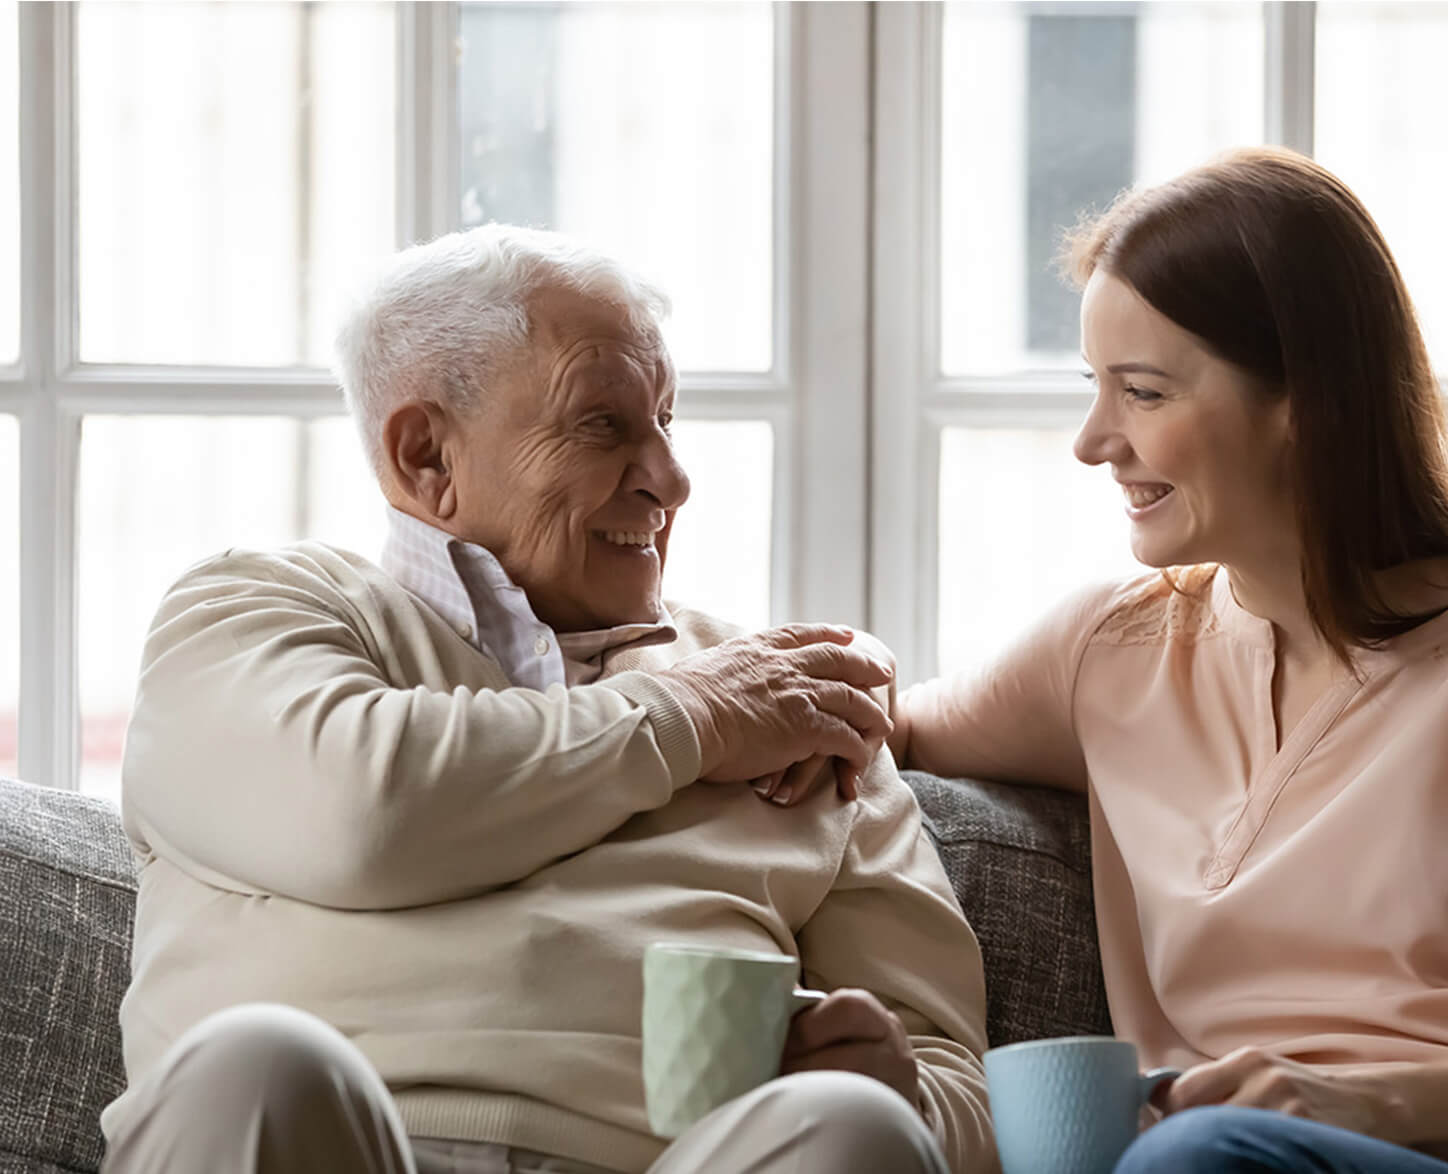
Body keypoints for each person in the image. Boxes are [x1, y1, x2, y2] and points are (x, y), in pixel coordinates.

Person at [100, 225, 996, 1174]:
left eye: (666, 421)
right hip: (325, 1145)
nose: (670, 479)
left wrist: (900, 1090)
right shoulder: (252, 612)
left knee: (851, 1129)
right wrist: (694, 718)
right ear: (426, 458)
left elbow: (961, 1093)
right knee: (256, 1067)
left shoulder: (788, 699)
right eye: (603, 425)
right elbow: (367, 815)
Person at [889, 148, 1448, 1174]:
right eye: (1095, 389)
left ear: (1302, 401)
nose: (1094, 441)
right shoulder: (1112, 651)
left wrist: (1348, 1105)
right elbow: (877, 713)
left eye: (1140, 392)